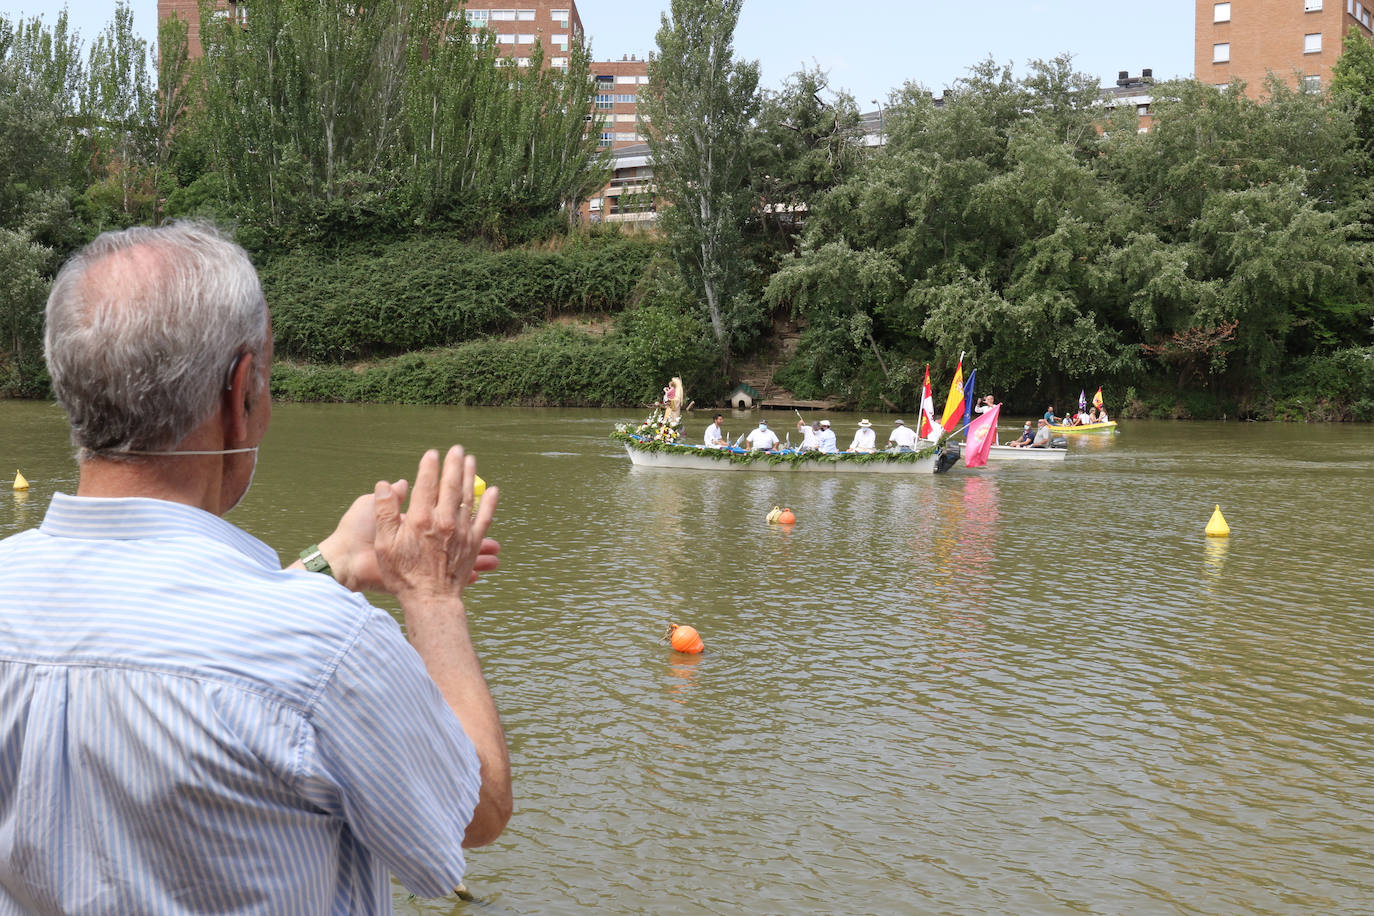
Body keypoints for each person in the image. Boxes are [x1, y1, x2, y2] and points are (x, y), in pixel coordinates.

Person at [0, 223, 511, 911]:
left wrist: (333, 559)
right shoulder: (328, 647)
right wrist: (432, 594)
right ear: (240, 396)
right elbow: (475, 808)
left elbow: (166, 640)